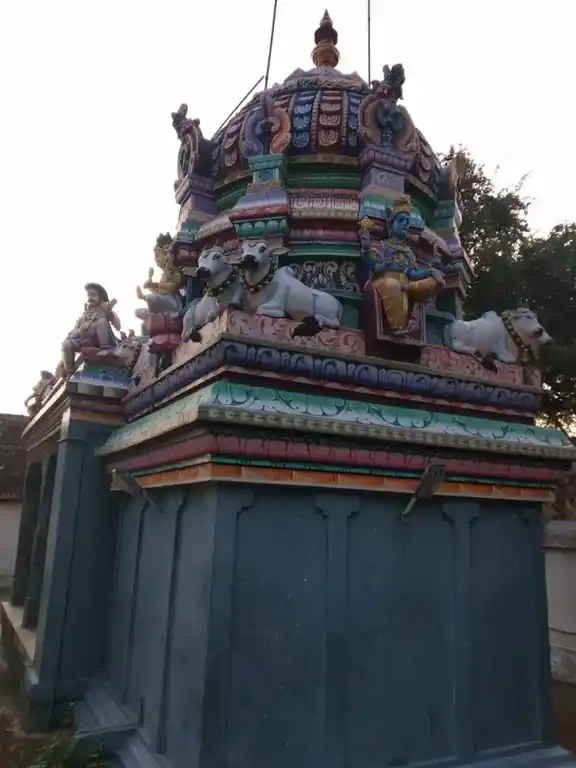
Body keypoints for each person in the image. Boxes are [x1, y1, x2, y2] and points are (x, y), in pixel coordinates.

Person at [360, 195, 444, 334]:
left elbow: (412, 273)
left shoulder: (409, 252)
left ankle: (413, 288)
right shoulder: (382, 245)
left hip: (406, 285)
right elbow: (373, 266)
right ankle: (396, 327)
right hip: (383, 282)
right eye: (401, 220)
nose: (405, 224)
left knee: (433, 282)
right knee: (392, 285)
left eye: (407, 221)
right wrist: (366, 250)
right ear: (390, 225)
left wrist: (430, 270)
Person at [61, 283, 120, 373]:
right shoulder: (84, 314)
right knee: (66, 344)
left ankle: (105, 349)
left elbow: (118, 326)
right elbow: (74, 331)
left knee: (101, 322)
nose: (90, 298)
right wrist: (80, 330)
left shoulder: (105, 310)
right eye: (89, 295)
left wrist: (110, 313)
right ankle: (69, 371)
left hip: (102, 342)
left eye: (93, 295)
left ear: (100, 297)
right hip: (85, 339)